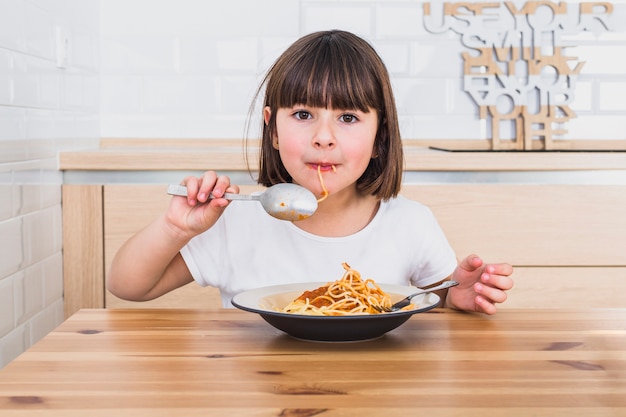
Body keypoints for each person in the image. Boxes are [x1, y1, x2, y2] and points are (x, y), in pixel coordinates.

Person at [107, 30, 513, 314]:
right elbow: (128, 287)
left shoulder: (410, 223)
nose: (323, 137)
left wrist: (455, 295)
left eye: (349, 117)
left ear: (380, 135)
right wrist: (177, 228)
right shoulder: (237, 219)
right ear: (273, 129)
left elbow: (431, 298)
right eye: (303, 114)